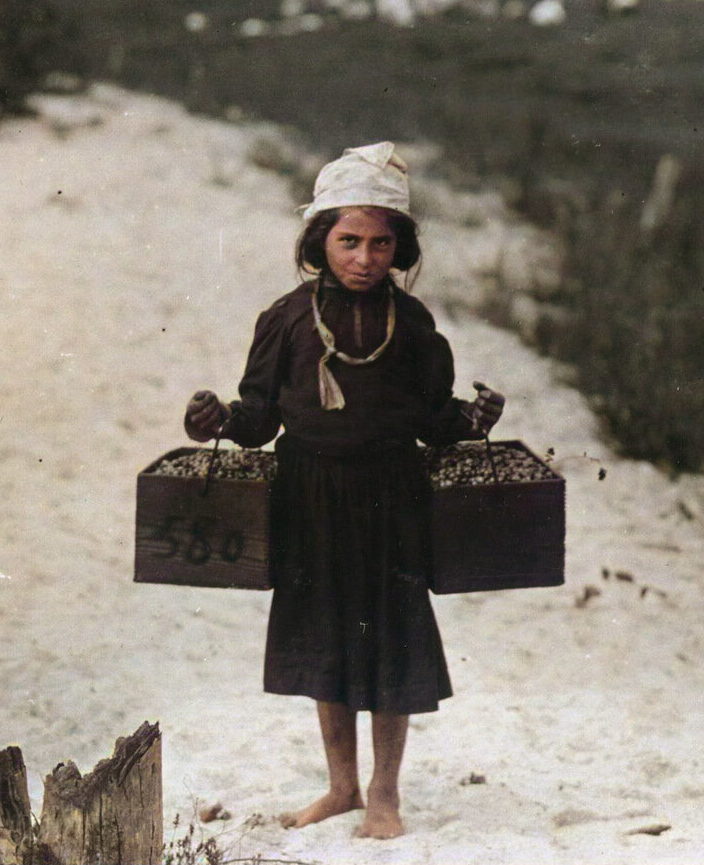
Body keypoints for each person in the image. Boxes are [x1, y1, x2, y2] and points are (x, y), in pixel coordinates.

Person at [183, 141, 504, 840]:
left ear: (402, 248)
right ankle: (342, 787)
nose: (364, 257)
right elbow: (257, 421)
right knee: (326, 637)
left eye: (381, 243)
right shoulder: (288, 320)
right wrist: (213, 421)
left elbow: (433, 419)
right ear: (318, 240)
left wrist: (471, 420)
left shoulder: (413, 326)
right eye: (349, 240)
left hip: (392, 495)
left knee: (392, 640)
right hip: (310, 496)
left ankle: (385, 793)